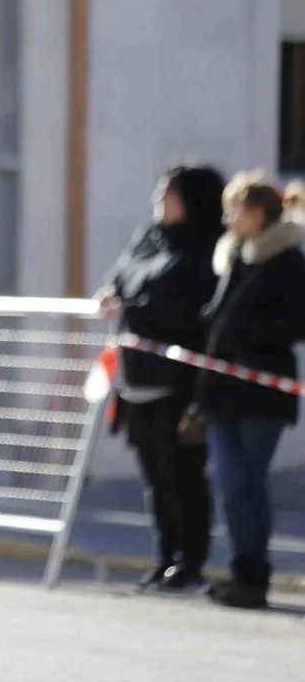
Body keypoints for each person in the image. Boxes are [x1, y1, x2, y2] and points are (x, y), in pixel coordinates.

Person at [98, 165, 225, 591]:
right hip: (138, 376)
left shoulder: (206, 249)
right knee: (153, 472)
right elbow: (120, 277)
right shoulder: (148, 238)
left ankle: (190, 559)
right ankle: (164, 555)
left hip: (179, 380)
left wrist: (132, 310)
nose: (158, 198)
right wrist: (111, 297)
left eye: (167, 192)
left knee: (182, 471)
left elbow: (191, 309)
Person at [196, 171, 305, 609]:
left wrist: (246, 331)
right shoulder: (234, 258)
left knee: (247, 481)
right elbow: (216, 315)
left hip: (262, 388)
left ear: (256, 214)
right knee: (226, 478)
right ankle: (241, 565)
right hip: (222, 387)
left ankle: (253, 574)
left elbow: (296, 324)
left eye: (233, 209)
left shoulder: (289, 262)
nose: (227, 218)